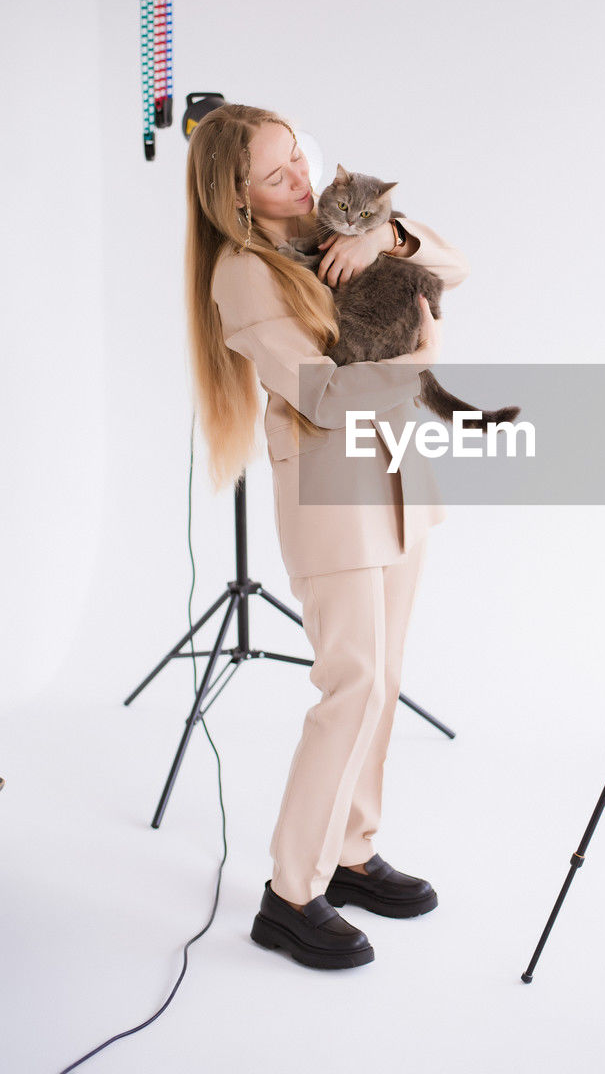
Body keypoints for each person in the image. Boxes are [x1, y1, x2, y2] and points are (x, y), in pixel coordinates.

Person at [185, 103, 470, 970]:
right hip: (330, 491)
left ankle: (351, 851)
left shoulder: (339, 225)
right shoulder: (243, 274)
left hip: (398, 482)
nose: (300, 183)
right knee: (350, 685)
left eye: (297, 161)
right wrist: (416, 361)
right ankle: (290, 892)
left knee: (383, 683)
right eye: (276, 177)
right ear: (235, 198)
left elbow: (457, 265)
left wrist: (385, 236)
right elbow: (325, 397)